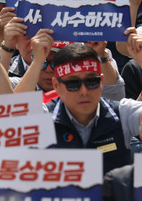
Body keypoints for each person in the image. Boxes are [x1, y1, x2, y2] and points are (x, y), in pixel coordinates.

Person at [46, 40, 142, 174]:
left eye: (92, 81)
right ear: (56, 85)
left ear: (101, 82)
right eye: (73, 83)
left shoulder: (122, 113)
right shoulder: (43, 116)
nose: (84, 91)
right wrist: (35, 62)